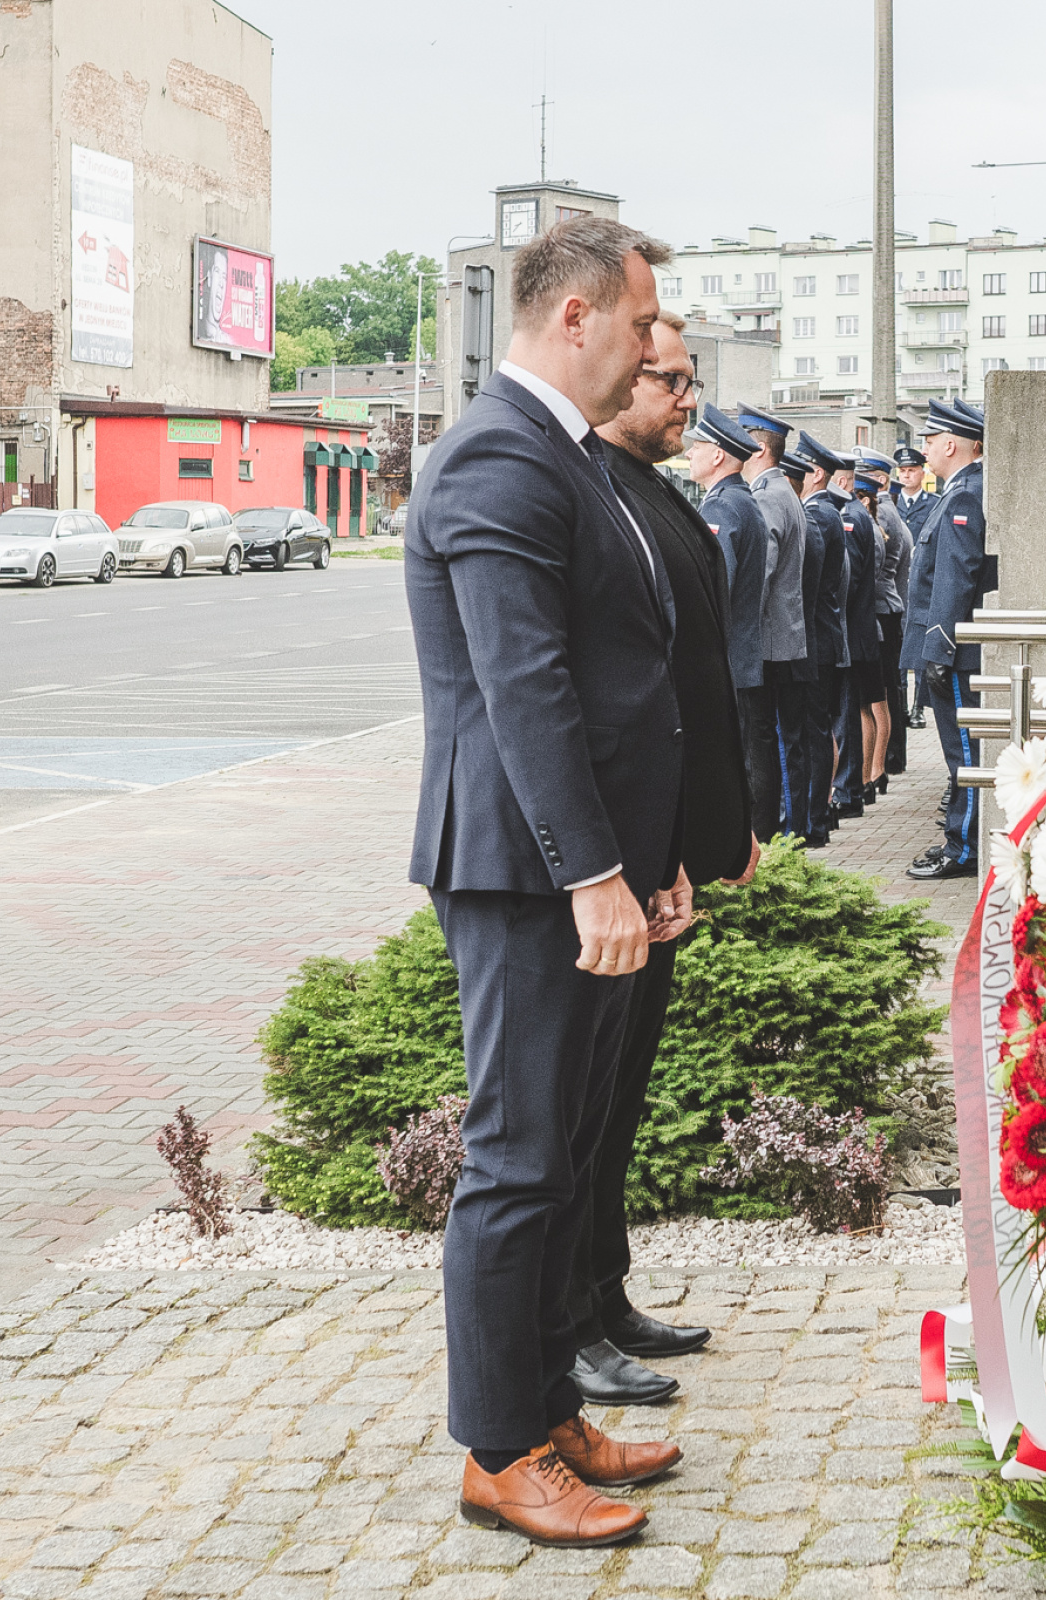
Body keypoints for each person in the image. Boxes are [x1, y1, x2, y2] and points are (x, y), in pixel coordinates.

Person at [403, 214, 685, 1548]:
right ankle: (499, 1451)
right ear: (573, 316)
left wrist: (655, 862)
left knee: (566, 1149)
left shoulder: (558, 458)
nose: (645, 355)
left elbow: (625, 687)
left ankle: (544, 1401)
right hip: (524, 874)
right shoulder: (497, 462)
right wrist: (595, 877)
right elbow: (528, 695)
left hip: (572, 870)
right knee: (517, 1164)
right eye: (635, 326)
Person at [576, 319, 761, 1404]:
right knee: (584, 1108)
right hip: (609, 858)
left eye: (691, 380)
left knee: (621, 1094)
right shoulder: (594, 491)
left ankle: (604, 1292)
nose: (688, 399)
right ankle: (574, 1317)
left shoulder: (656, 493)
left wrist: (701, 838)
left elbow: (698, 687)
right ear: (612, 375)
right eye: (670, 380)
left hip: (654, 854)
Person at [900, 398, 991, 880]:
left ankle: (965, 848)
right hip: (952, 648)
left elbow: (955, 579)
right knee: (961, 752)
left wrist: (939, 647)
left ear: (952, 444)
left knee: (964, 754)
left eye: (930, 440)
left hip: (954, 651)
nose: (926, 448)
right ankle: (960, 839)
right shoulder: (961, 491)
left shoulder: (962, 495)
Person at [690, 405, 782, 845]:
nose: (691, 453)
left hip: (730, 655)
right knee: (752, 749)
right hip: (742, 652)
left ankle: (753, 839)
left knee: (744, 755)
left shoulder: (724, 507)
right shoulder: (738, 500)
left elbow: (714, 585)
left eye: (699, 446)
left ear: (719, 457)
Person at [739, 404, 813, 843]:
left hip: (765, 641)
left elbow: (759, 576)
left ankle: (769, 836)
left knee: (761, 744)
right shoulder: (783, 490)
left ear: (761, 447)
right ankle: (787, 829)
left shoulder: (767, 495)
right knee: (774, 740)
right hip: (780, 638)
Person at [791, 431, 849, 846]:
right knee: (817, 730)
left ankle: (814, 820)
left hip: (816, 637)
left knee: (813, 732)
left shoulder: (818, 515)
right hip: (823, 635)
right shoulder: (825, 511)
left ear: (814, 472)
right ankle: (818, 815)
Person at [829, 452, 882, 819]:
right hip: (856, 629)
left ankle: (848, 790)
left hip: (849, 629)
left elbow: (846, 581)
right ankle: (852, 788)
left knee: (847, 711)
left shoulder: (848, 516)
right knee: (852, 709)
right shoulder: (858, 514)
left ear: (843, 482)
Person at [855, 453, 910, 789]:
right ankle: (879, 767)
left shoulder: (883, 515)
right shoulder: (886, 510)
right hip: (883, 609)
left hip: (880, 611)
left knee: (878, 696)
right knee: (881, 693)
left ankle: (877, 768)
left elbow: (872, 571)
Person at [889, 444, 932, 748]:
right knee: (898, 648)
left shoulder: (933, 503)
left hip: (921, 584)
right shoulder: (891, 504)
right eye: (902, 471)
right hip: (895, 582)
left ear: (921, 472)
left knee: (918, 646)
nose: (906, 475)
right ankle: (902, 705)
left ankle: (918, 708)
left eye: (911, 470)